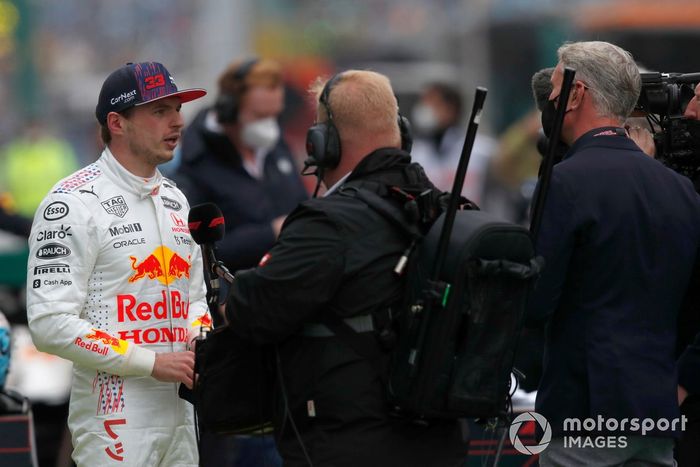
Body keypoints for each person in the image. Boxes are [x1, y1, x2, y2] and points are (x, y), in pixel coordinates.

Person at [225, 70, 467, 467]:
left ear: (323, 143)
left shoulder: (327, 224)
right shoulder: (444, 210)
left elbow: (251, 310)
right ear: (401, 132)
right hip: (444, 445)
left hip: (347, 444)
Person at [26, 61, 211, 467]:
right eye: (160, 111)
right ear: (117, 122)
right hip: (116, 415)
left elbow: (195, 298)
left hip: (182, 413)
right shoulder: (72, 202)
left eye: (177, 109)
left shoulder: (176, 199)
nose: (177, 121)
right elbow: (49, 324)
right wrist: (151, 362)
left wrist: (202, 339)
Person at [527, 41, 700, 466]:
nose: (550, 100)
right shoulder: (680, 188)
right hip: (657, 415)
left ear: (577, 93)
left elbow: (536, 300)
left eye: (554, 88)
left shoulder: (566, 182)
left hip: (584, 412)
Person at [174, 57, 307, 276]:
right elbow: (197, 251)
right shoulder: (196, 163)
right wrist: (270, 233)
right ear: (229, 110)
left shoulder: (276, 147)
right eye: (260, 116)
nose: (270, 125)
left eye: (275, 115)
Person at [410, 81, 496, 206]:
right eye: (423, 102)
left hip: (472, 221)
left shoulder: (482, 150)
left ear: (451, 109)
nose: (425, 109)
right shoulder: (414, 152)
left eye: (433, 103)